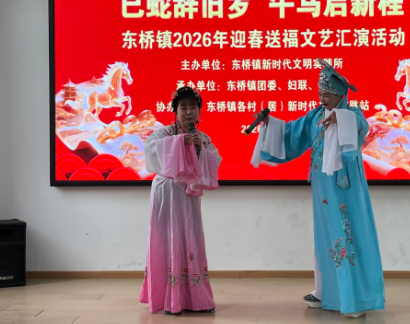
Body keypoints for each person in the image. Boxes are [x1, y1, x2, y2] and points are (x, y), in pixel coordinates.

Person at [251, 59, 385, 318]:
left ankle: (354, 299)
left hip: (345, 189)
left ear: (342, 95)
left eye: (328, 94)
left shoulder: (353, 115)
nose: (323, 99)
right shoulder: (315, 116)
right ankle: (325, 291)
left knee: (346, 234)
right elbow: (291, 133)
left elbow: (361, 129)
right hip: (323, 189)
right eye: (320, 93)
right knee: (325, 238)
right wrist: (269, 123)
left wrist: (341, 119)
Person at [140, 86, 221, 314]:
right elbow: (150, 150)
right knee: (167, 239)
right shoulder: (164, 134)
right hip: (167, 192)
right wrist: (178, 143)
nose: (188, 112)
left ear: (199, 111)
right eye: (183, 107)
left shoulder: (203, 138)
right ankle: (169, 299)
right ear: (175, 111)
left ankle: (195, 299)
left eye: (192, 107)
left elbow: (215, 160)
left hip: (189, 194)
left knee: (191, 238)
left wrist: (199, 150)